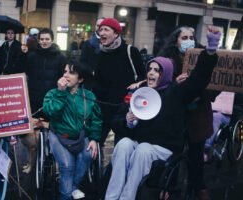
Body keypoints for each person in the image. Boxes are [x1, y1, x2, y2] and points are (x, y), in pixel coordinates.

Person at [105, 26, 220, 200]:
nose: (151, 73)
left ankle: (127, 197)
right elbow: (117, 120)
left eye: (156, 70)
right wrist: (128, 122)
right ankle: (111, 197)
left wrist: (211, 50)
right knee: (124, 144)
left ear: (165, 74)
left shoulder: (176, 92)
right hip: (141, 145)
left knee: (143, 149)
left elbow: (199, 79)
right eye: (149, 69)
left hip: (161, 148)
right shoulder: (140, 91)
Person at [157, 26, 221, 200]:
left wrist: (201, 94)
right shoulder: (167, 62)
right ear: (176, 41)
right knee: (173, 152)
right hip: (176, 116)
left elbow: (215, 85)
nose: (188, 40)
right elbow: (160, 86)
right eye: (184, 37)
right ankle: (168, 186)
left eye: (191, 37)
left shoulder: (202, 58)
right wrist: (175, 84)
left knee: (196, 155)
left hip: (198, 115)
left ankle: (199, 187)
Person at [43, 60, 102, 200]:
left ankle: (73, 186)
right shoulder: (53, 93)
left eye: (71, 72)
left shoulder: (89, 96)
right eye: (65, 71)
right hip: (58, 135)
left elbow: (96, 119)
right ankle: (65, 196)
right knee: (67, 166)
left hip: (81, 135)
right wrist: (61, 93)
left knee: (88, 156)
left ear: (80, 79)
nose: (66, 75)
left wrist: (94, 139)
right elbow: (50, 112)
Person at [94, 18, 145, 145]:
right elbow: (98, 81)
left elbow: (143, 76)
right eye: (100, 30)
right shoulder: (100, 54)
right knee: (96, 143)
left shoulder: (130, 51)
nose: (101, 33)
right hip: (104, 108)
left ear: (116, 33)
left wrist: (137, 84)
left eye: (106, 29)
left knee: (121, 145)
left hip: (124, 108)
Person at [25, 28, 67, 117]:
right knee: (35, 125)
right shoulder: (32, 56)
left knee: (49, 126)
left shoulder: (60, 57)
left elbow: (63, 77)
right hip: (34, 98)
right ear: (39, 41)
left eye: (47, 39)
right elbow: (26, 73)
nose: (44, 41)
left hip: (51, 98)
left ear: (52, 40)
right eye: (42, 39)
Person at [79, 17, 104, 90]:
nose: (99, 28)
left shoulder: (112, 44)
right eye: (97, 25)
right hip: (91, 82)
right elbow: (82, 62)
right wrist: (91, 71)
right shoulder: (87, 44)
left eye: (102, 26)